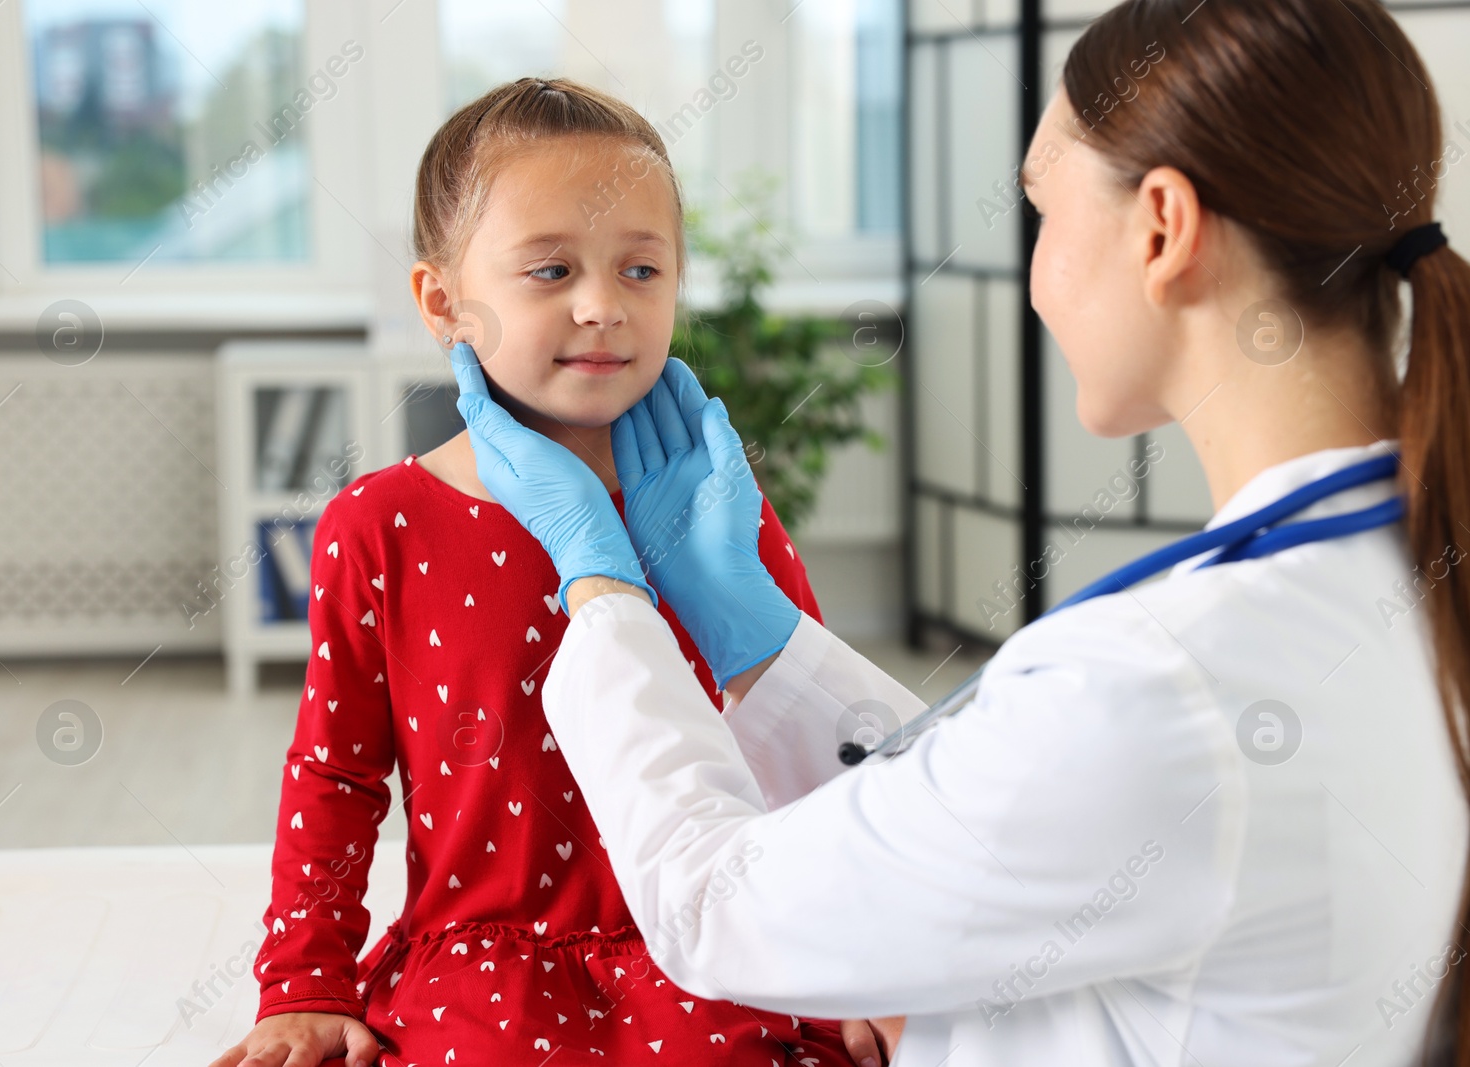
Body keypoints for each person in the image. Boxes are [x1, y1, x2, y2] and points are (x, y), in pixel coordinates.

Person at [446, 0, 1470, 1062]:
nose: (1034, 280)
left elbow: (719, 908)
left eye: (1042, 214)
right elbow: (1013, 819)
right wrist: (756, 640)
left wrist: (605, 591)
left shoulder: (1163, 681)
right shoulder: (1394, 570)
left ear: (1161, 227)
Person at [211, 77, 875, 1067]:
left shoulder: (719, 514)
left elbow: (803, 750)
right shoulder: (378, 524)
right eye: (552, 269)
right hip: (483, 967)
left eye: (642, 269)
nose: (602, 306)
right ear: (443, 303)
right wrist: (305, 983)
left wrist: (851, 963)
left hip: (709, 940)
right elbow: (336, 772)